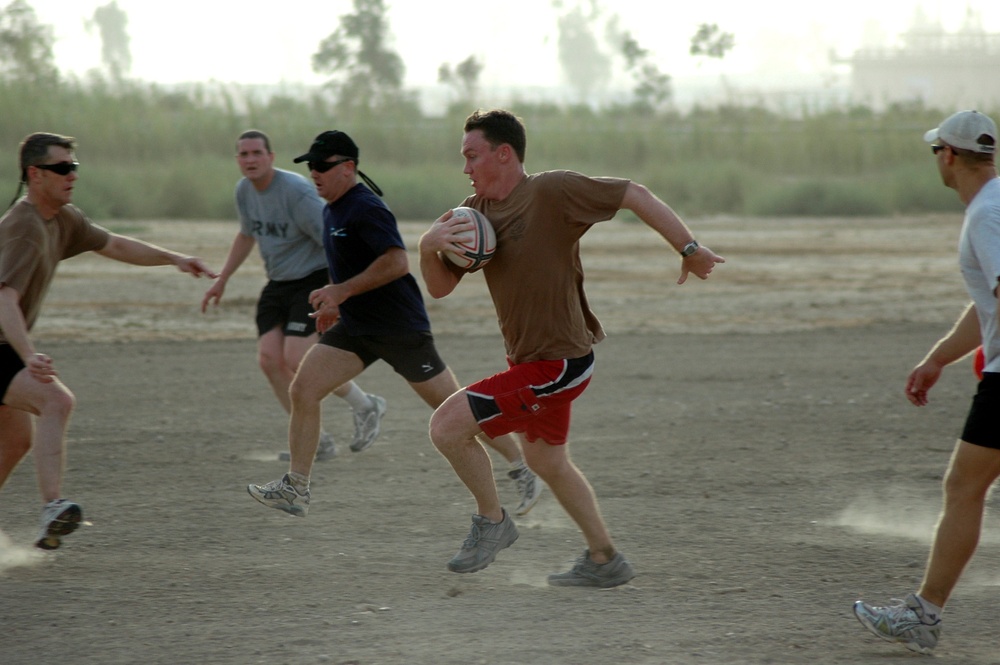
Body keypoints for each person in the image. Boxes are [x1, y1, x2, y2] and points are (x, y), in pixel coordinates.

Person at [418, 109, 725, 586]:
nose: (466, 168)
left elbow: (633, 194)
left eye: (472, 156)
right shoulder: (472, 213)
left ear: (504, 154)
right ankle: (605, 559)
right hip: (529, 361)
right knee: (545, 461)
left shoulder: (551, 191)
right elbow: (440, 289)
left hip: (558, 364)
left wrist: (689, 248)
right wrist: (427, 247)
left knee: (446, 426)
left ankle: (493, 523)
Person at [247, 130, 540, 517]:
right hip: (356, 327)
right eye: (310, 166)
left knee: (455, 409)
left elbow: (396, 262)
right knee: (304, 388)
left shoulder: (365, 207)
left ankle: (523, 470)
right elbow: (351, 266)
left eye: (322, 166)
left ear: (348, 168)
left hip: (399, 329)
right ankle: (295, 487)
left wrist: (342, 292)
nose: (314, 173)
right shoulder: (332, 208)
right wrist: (336, 300)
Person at [0, 132, 218, 549]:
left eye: (74, 167)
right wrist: (27, 355)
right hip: (3, 344)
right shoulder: (24, 226)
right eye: (61, 168)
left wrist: (173, 258)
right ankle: (52, 509)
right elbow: (4, 298)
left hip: (6, 345)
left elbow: (115, 244)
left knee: (17, 440)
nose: (72, 175)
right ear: (35, 174)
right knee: (56, 400)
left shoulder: (62, 219)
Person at [853, 110, 1000, 655]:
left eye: (935, 151)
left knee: (963, 487)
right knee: (966, 486)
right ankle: (924, 612)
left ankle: (923, 616)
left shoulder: (985, 215)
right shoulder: (996, 205)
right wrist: (939, 357)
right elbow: (987, 299)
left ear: (948, 156)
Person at [202, 130, 386, 461]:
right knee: (269, 361)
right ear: (237, 160)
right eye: (243, 154)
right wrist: (222, 278)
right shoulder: (244, 191)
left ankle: (366, 405)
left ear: (271, 157)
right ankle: (318, 440)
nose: (250, 159)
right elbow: (246, 235)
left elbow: (334, 242)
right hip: (278, 283)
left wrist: (337, 293)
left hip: (311, 280)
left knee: (297, 358)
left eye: (257, 153)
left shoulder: (296, 193)